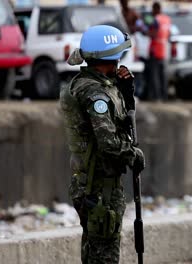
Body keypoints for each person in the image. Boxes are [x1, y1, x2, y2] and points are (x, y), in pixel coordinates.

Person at [60, 25, 145, 263]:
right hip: (99, 189)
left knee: (93, 252)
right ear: (109, 57)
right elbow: (107, 141)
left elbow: (116, 121)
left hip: (90, 184)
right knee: (104, 255)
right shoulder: (96, 94)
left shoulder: (88, 83)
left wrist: (126, 94)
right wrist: (132, 154)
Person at [143, 1, 171, 101]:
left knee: (154, 75)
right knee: (163, 75)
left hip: (155, 50)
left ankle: (156, 97)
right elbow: (169, 34)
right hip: (163, 50)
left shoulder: (155, 20)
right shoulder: (166, 19)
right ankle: (164, 96)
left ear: (155, 9)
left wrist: (145, 32)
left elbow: (153, 34)